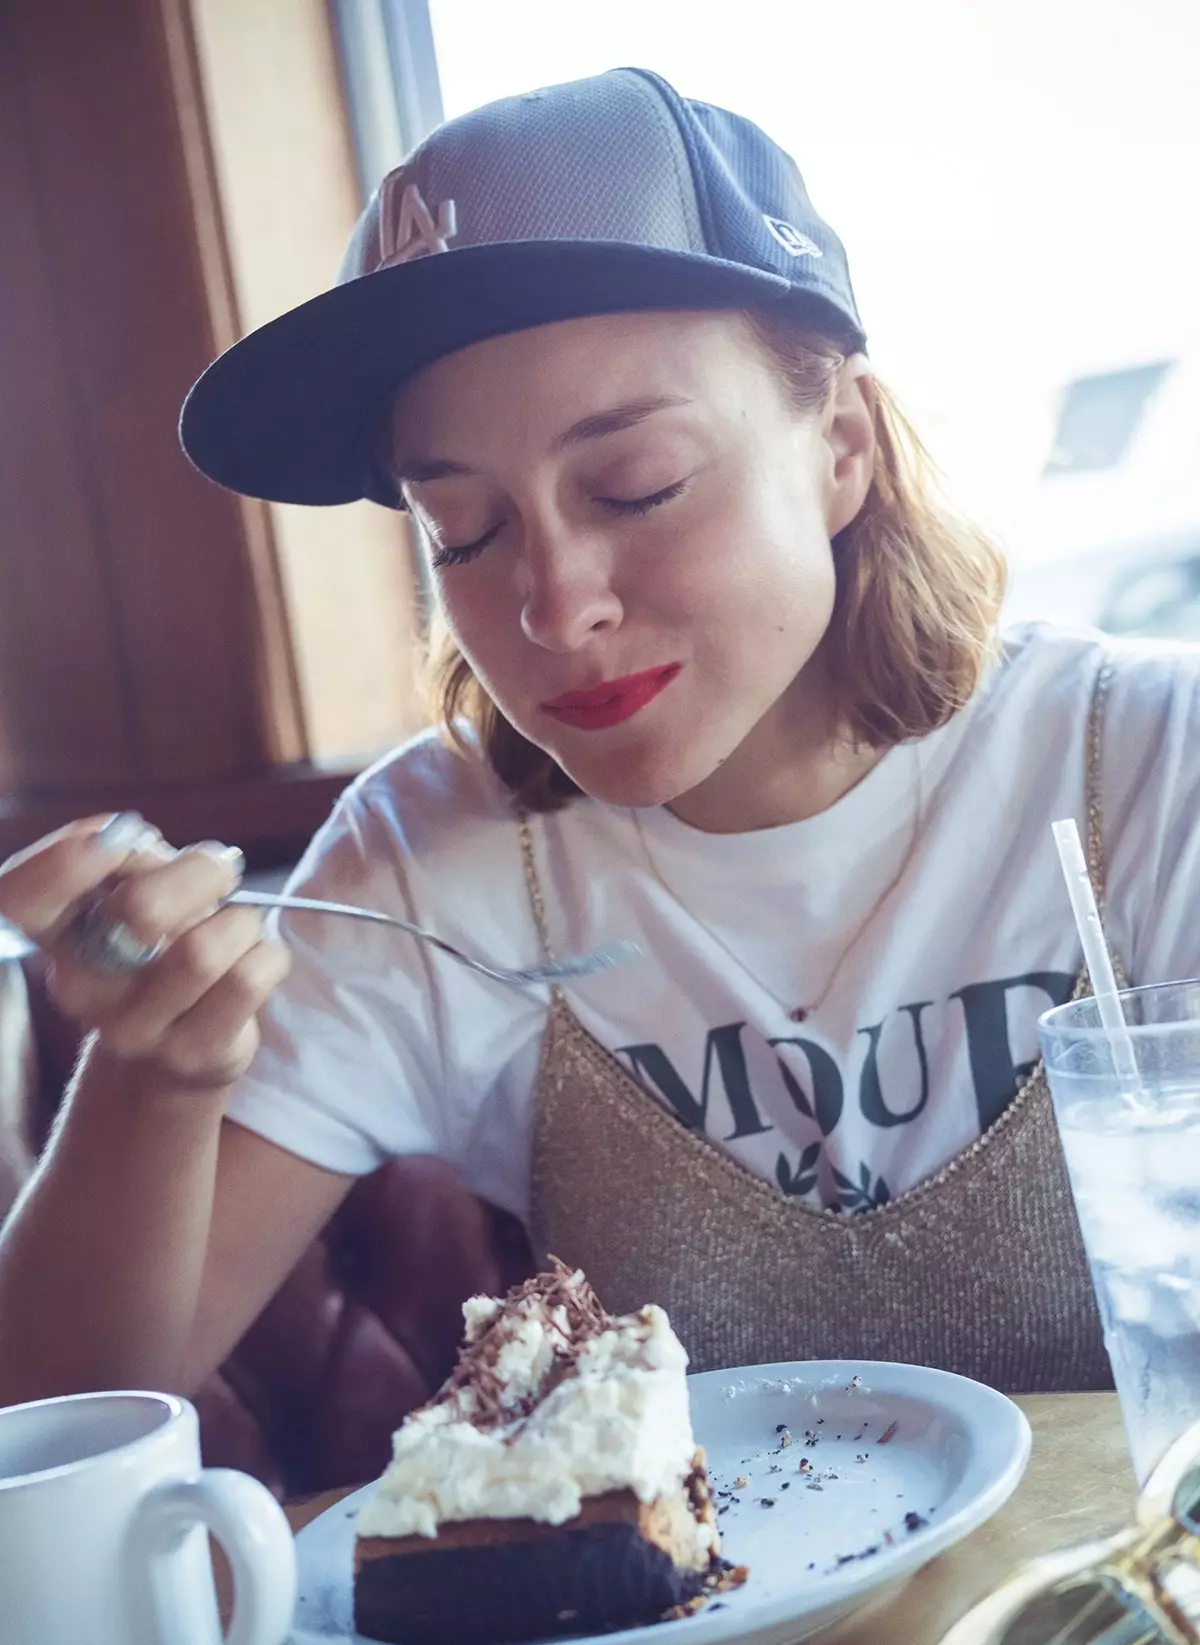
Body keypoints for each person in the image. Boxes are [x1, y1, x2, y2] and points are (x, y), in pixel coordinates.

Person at [1, 68, 1198, 1408]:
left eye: (638, 487)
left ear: (843, 446)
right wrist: (149, 1080)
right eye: (465, 528)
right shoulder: (429, 861)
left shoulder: (1151, 764)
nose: (557, 607)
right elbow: (50, 1418)